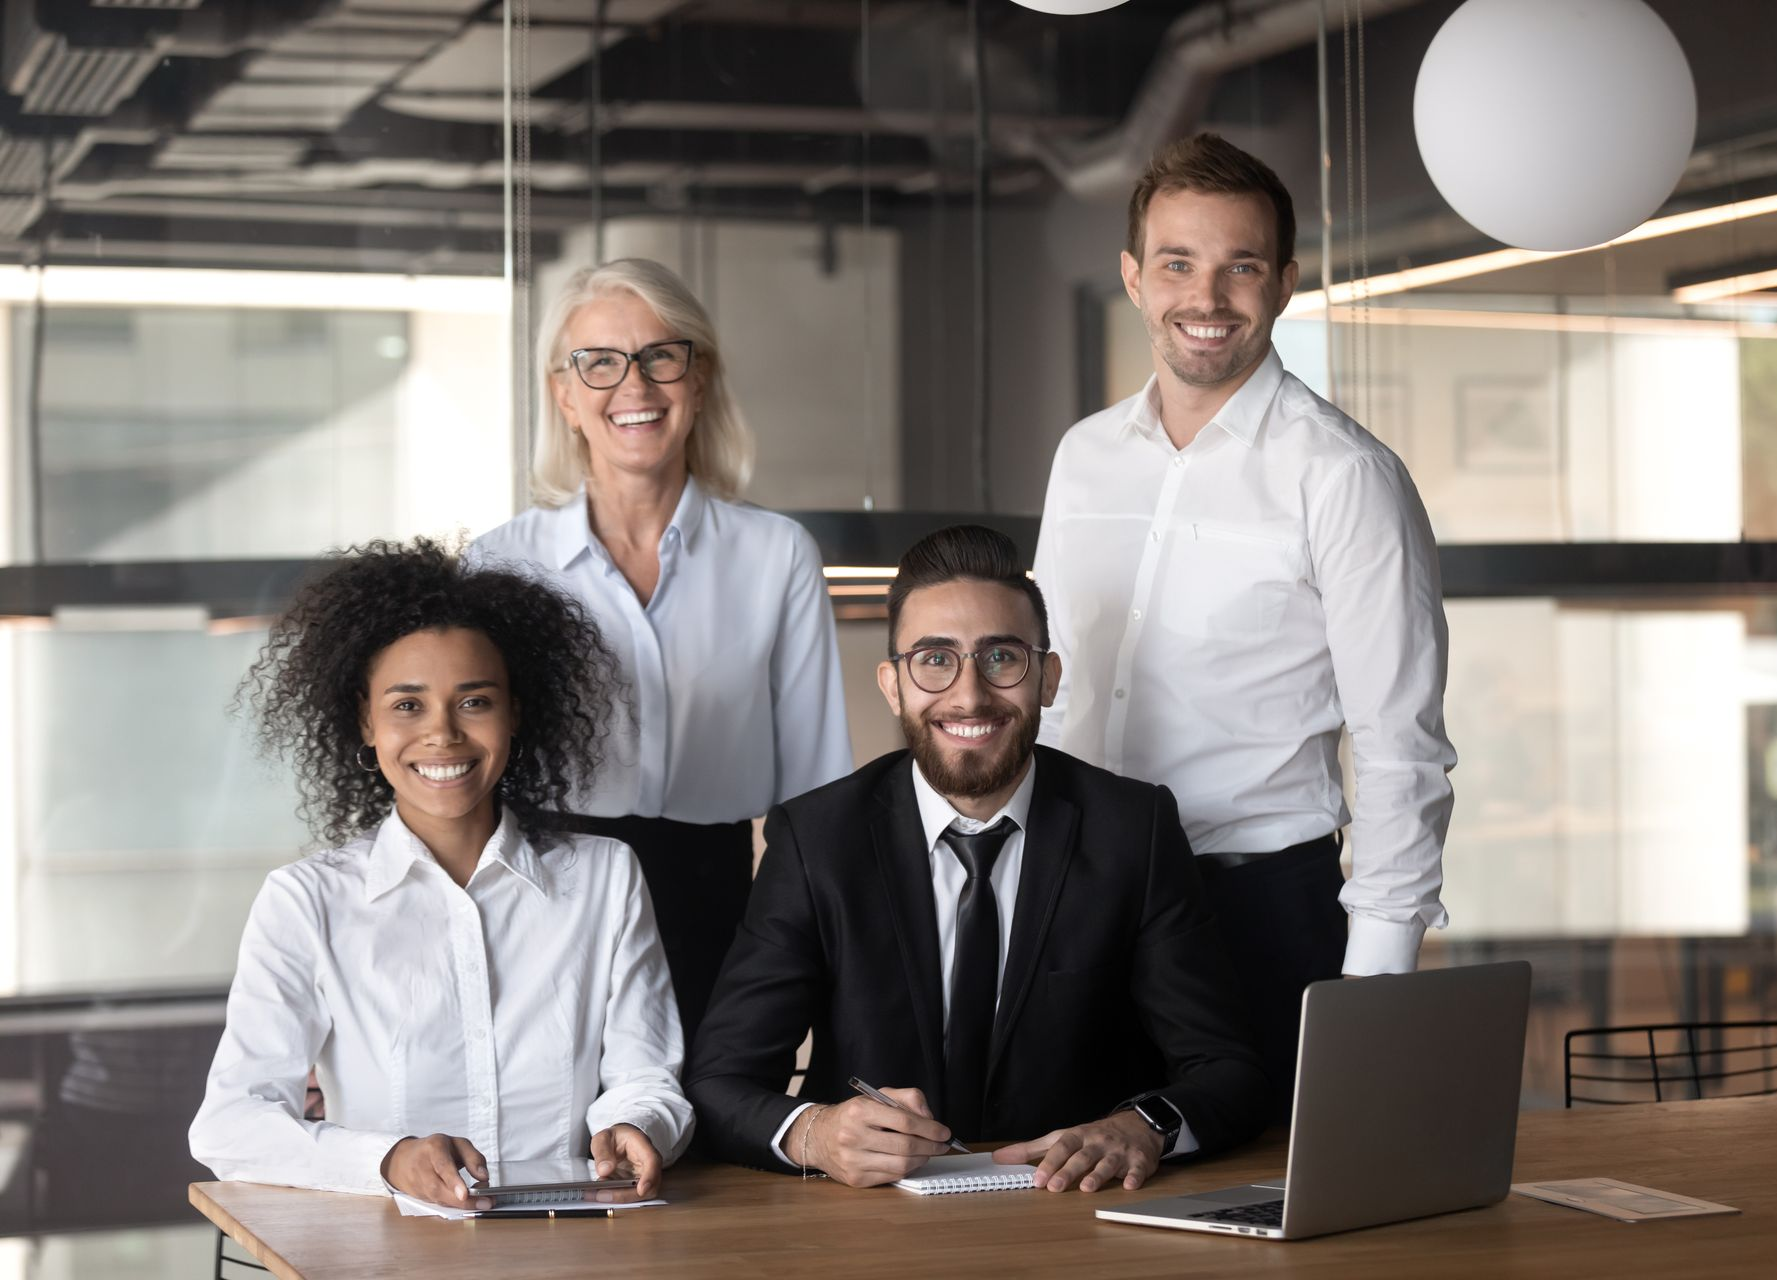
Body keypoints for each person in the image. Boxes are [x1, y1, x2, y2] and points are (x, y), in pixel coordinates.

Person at [1033, 132, 1456, 1110]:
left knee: (1266, 1223)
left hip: (1257, 909)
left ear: (1284, 284)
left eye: (1241, 266)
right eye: (1178, 263)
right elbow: (1051, 687)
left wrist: (1374, 989)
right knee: (1069, 1211)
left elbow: (1400, 741)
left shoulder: (1343, 475)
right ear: (1135, 278)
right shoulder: (1084, 456)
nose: (1206, 296)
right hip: (1082, 899)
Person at [686, 526, 1267, 1192]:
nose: (968, 695)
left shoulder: (1133, 828)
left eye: (1001, 658)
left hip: (1075, 1216)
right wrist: (816, 1134)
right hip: (870, 1228)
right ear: (893, 684)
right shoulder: (817, 838)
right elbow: (718, 1081)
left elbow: (1228, 1071)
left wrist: (1145, 1126)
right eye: (935, 659)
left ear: (1046, 679)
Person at [189, 539, 692, 1207]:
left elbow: (647, 1074)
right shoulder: (306, 902)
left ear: (515, 713)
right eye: (407, 706)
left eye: (475, 701)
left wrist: (636, 1124)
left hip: (571, 1249)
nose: (443, 735)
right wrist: (388, 1160)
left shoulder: (605, 878)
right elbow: (231, 1126)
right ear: (365, 721)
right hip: (390, 1255)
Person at [472, 258, 852, 1047]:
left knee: (710, 1148)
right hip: (541, 904)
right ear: (564, 395)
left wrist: (816, 960)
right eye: (599, 363)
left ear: (699, 378)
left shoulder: (775, 553)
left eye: (660, 356)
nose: (634, 386)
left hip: (717, 905)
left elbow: (818, 792)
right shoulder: (499, 567)